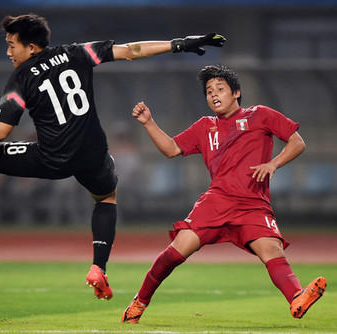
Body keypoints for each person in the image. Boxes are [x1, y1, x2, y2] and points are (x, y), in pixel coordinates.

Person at [0, 13, 226, 300]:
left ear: (31, 46)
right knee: (105, 196)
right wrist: (181, 43)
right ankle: (99, 267)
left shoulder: (20, 79)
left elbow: (0, 132)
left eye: (11, 45)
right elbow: (132, 50)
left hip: (51, 158)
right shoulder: (78, 52)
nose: (8, 52)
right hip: (92, 153)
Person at [121, 64, 326, 322]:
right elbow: (172, 149)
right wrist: (149, 123)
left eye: (220, 89)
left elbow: (298, 142)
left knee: (272, 251)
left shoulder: (261, 115)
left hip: (253, 205)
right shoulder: (204, 126)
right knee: (175, 252)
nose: (214, 94)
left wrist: (274, 163)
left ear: (236, 93)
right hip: (216, 202)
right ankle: (139, 302)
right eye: (209, 91)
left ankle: (297, 297)